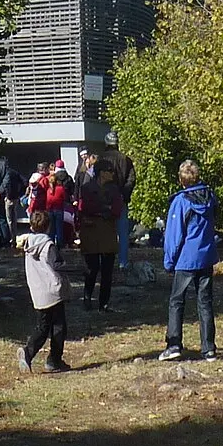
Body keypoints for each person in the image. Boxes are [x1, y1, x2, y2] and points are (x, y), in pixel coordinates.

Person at [159, 160, 220, 361]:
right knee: (205, 302)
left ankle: (174, 344)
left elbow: (174, 235)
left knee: (176, 301)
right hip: (206, 256)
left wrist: (169, 261)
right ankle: (209, 347)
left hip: (186, 259)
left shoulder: (181, 201)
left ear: (181, 179)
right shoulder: (209, 197)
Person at [15, 208, 71, 373]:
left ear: (31, 226)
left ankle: (29, 353)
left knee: (42, 326)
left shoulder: (28, 244)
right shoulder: (48, 245)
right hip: (53, 290)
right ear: (48, 227)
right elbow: (57, 265)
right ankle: (53, 359)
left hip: (38, 291)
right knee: (59, 326)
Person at [76, 158, 125, 311]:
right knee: (92, 267)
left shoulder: (115, 190)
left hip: (108, 232)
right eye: (110, 171)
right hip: (90, 231)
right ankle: (87, 297)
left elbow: (117, 210)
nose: (112, 174)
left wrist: (102, 209)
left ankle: (104, 303)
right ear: (102, 173)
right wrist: (105, 208)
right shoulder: (86, 188)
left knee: (107, 270)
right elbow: (86, 208)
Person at [98, 132, 137, 269]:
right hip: (121, 200)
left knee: (105, 232)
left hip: (104, 201)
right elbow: (131, 179)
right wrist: (123, 194)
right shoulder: (125, 159)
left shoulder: (101, 159)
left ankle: (106, 261)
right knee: (123, 233)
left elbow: (97, 180)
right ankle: (123, 262)